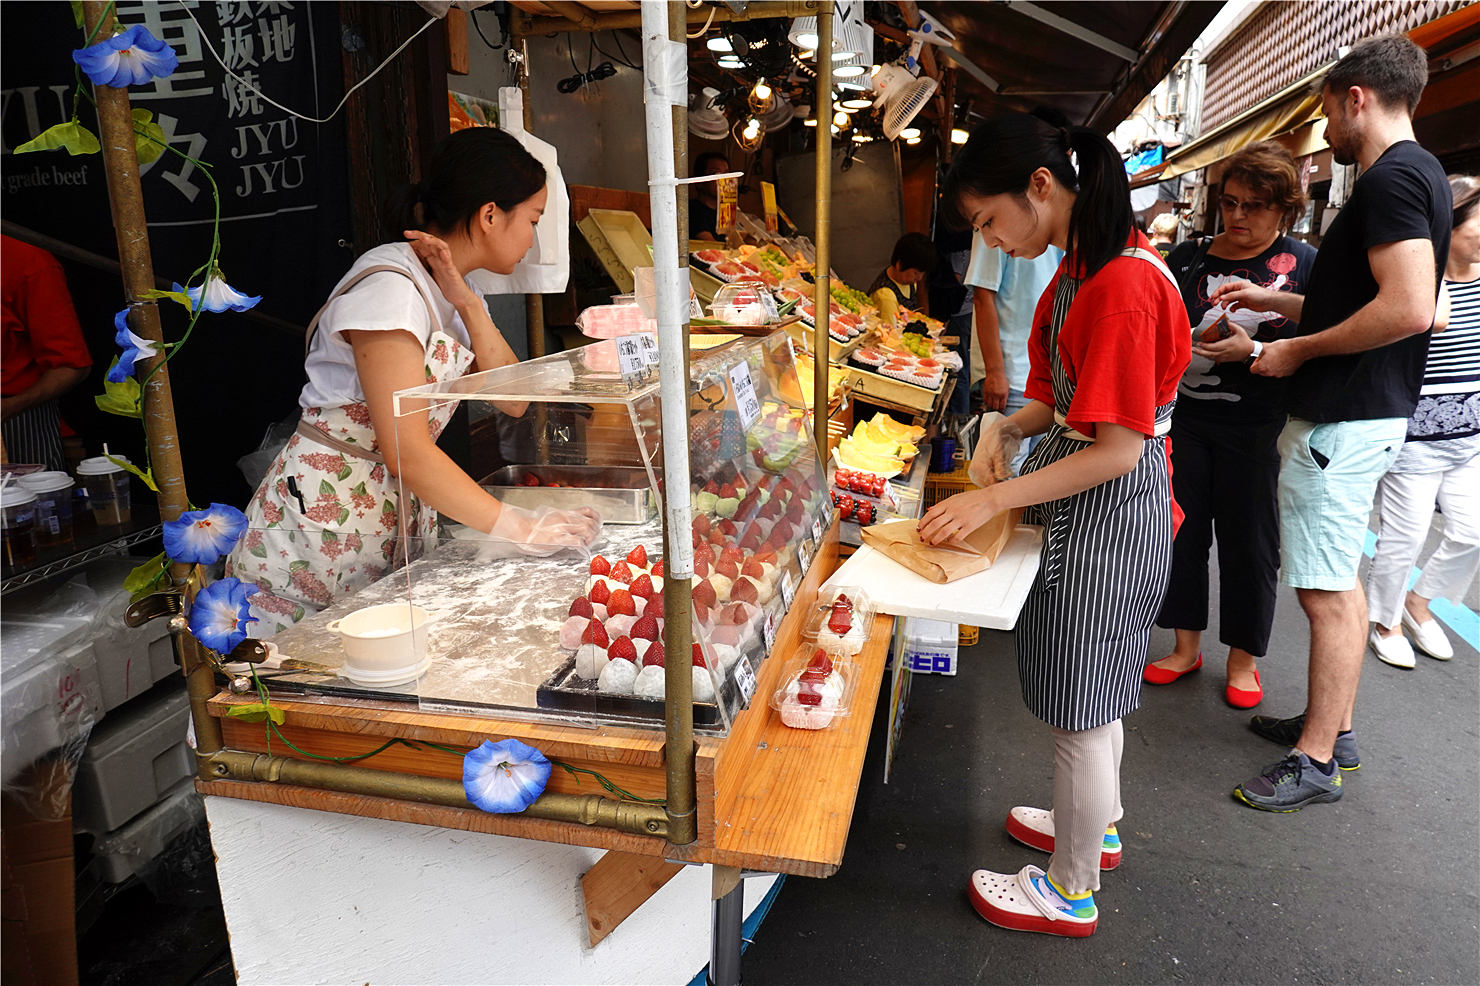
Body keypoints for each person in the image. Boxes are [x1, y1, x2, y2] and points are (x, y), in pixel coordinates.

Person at [919, 113, 1190, 937]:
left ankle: (1068, 890)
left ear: (1040, 187)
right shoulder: (1084, 265)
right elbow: (1068, 399)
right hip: (1088, 499)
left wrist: (992, 498)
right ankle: (1093, 823)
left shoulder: (1122, 284)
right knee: (1092, 688)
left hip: (1112, 507)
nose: (991, 240)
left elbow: (1115, 447)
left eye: (988, 221)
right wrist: (1004, 428)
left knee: (1083, 701)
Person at [226, 128, 601, 634]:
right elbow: (406, 448)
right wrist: (520, 528)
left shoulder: (455, 288)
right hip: (321, 529)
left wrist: (468, 304)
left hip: (384, 519)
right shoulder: (391, 288)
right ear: (491, 215)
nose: (534, 237)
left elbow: (512, 402)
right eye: (533, 220)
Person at [1210, 37, 1451, 811]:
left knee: (1324, 590)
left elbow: (1411, 307)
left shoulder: (1392, 178)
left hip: (1342, 417)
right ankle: (1330, 727)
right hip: (1360, 414)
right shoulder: (1421, 174)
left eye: (1324, 111)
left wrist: (1295, 350)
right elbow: (1383, 301)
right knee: (1335, 575)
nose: (1325, 130)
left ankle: (1317, 759)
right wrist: (1274, 304)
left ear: (1355, 97)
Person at [1144, 142, 1317, 708]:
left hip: (1261, 423)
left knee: (1251, 544)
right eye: (1231, 202)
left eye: (1257, 205)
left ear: (1285, 210)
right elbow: (1158, 325)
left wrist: (1254, 349)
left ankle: (1244, 660)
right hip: (1186, 419)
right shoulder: (1188, 257)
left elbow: (1322, 339)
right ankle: (1184, 646)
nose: (1239, 216)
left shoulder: (1302, 266)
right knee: (1181, 534)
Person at [1366, 174, 1480, 667]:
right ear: (1450, 227)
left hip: (1470, 438)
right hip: (1415, 438)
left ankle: (1418, 604)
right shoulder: (1419, 282)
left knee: (1471, 532)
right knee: (1403, 537)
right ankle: (1384, 620)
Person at [1, 237, 92, 471]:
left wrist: (11, 406)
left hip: (16, 418)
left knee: (26, 505)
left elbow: (72, 366)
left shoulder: (27, 261)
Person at [868, 232, 936, 326]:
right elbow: (891, 335)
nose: (919, 278)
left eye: (922, 273)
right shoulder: (886, 297)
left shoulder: (907, 280)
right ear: (900, 265)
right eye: (915, 273)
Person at [690, 151, 731, 241]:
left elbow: (745, 236)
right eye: (716, 174)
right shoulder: (692, 210)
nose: (723, 180)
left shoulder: (727, 212)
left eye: (726, 174)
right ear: (699, 181)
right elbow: (710, 244)